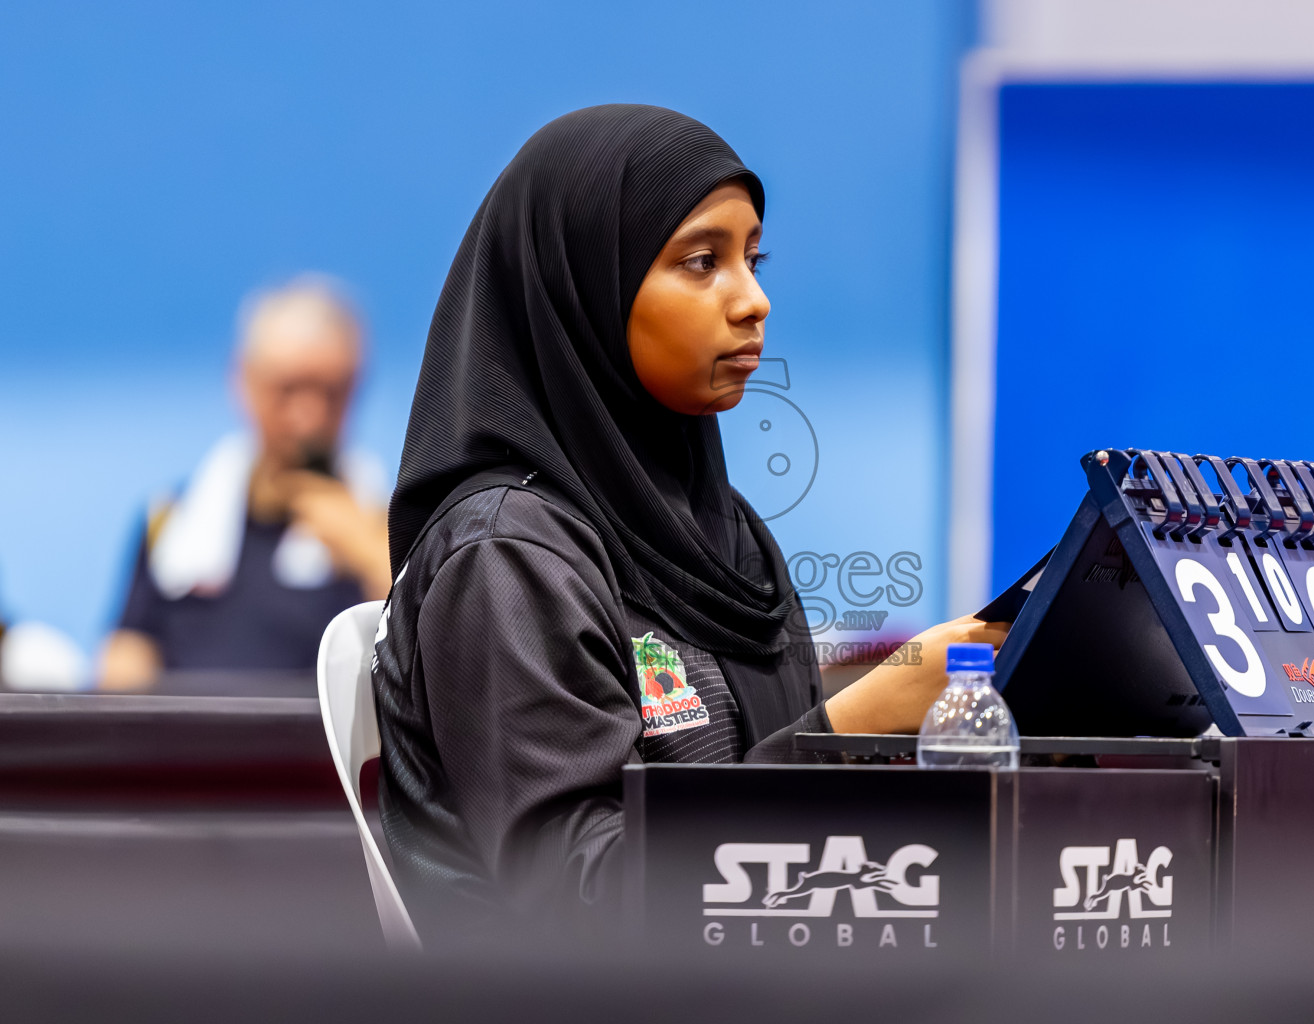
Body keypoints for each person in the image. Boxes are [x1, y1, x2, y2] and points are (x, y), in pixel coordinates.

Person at [373, 104, 1007, 940]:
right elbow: (581, 896)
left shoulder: (726, 536)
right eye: (702, 262)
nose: (754, 301)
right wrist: (847, 727)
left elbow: (768, 801)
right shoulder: (507, 558)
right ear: (584, 290)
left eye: (754, 258)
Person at [98, 279, 391, 690]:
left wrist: (368, 555)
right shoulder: (173, 521)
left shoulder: (387, 528)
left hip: (315, 750)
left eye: (330, 392)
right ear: (245, 381)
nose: (308, 415)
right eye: (287, 390)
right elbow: (127, 656)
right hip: (188, 745)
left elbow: (426, 654)